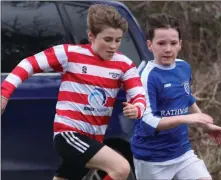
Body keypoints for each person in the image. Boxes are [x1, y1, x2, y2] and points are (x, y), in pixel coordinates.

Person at [1, 4, 147, 180]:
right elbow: (28, 64)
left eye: (118, 40)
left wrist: (137, 108)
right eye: (107, 39)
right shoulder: (70, 54)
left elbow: (139, 94)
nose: (113, 46)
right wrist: (4, 93)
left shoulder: (124, 64)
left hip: (93, 139)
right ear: (91, 36)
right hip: (69, 135)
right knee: (121, 168)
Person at [131, 13, 221, 180]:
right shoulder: (147, 77)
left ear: (180, 45)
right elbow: (149, 121)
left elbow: (186, 99)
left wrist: (206, 125)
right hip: (152, 159)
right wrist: (186, 119)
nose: (168, 49)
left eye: (173, 43)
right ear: (149, 45)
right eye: (161, 43)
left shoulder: (183, 67)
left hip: (182, 153)